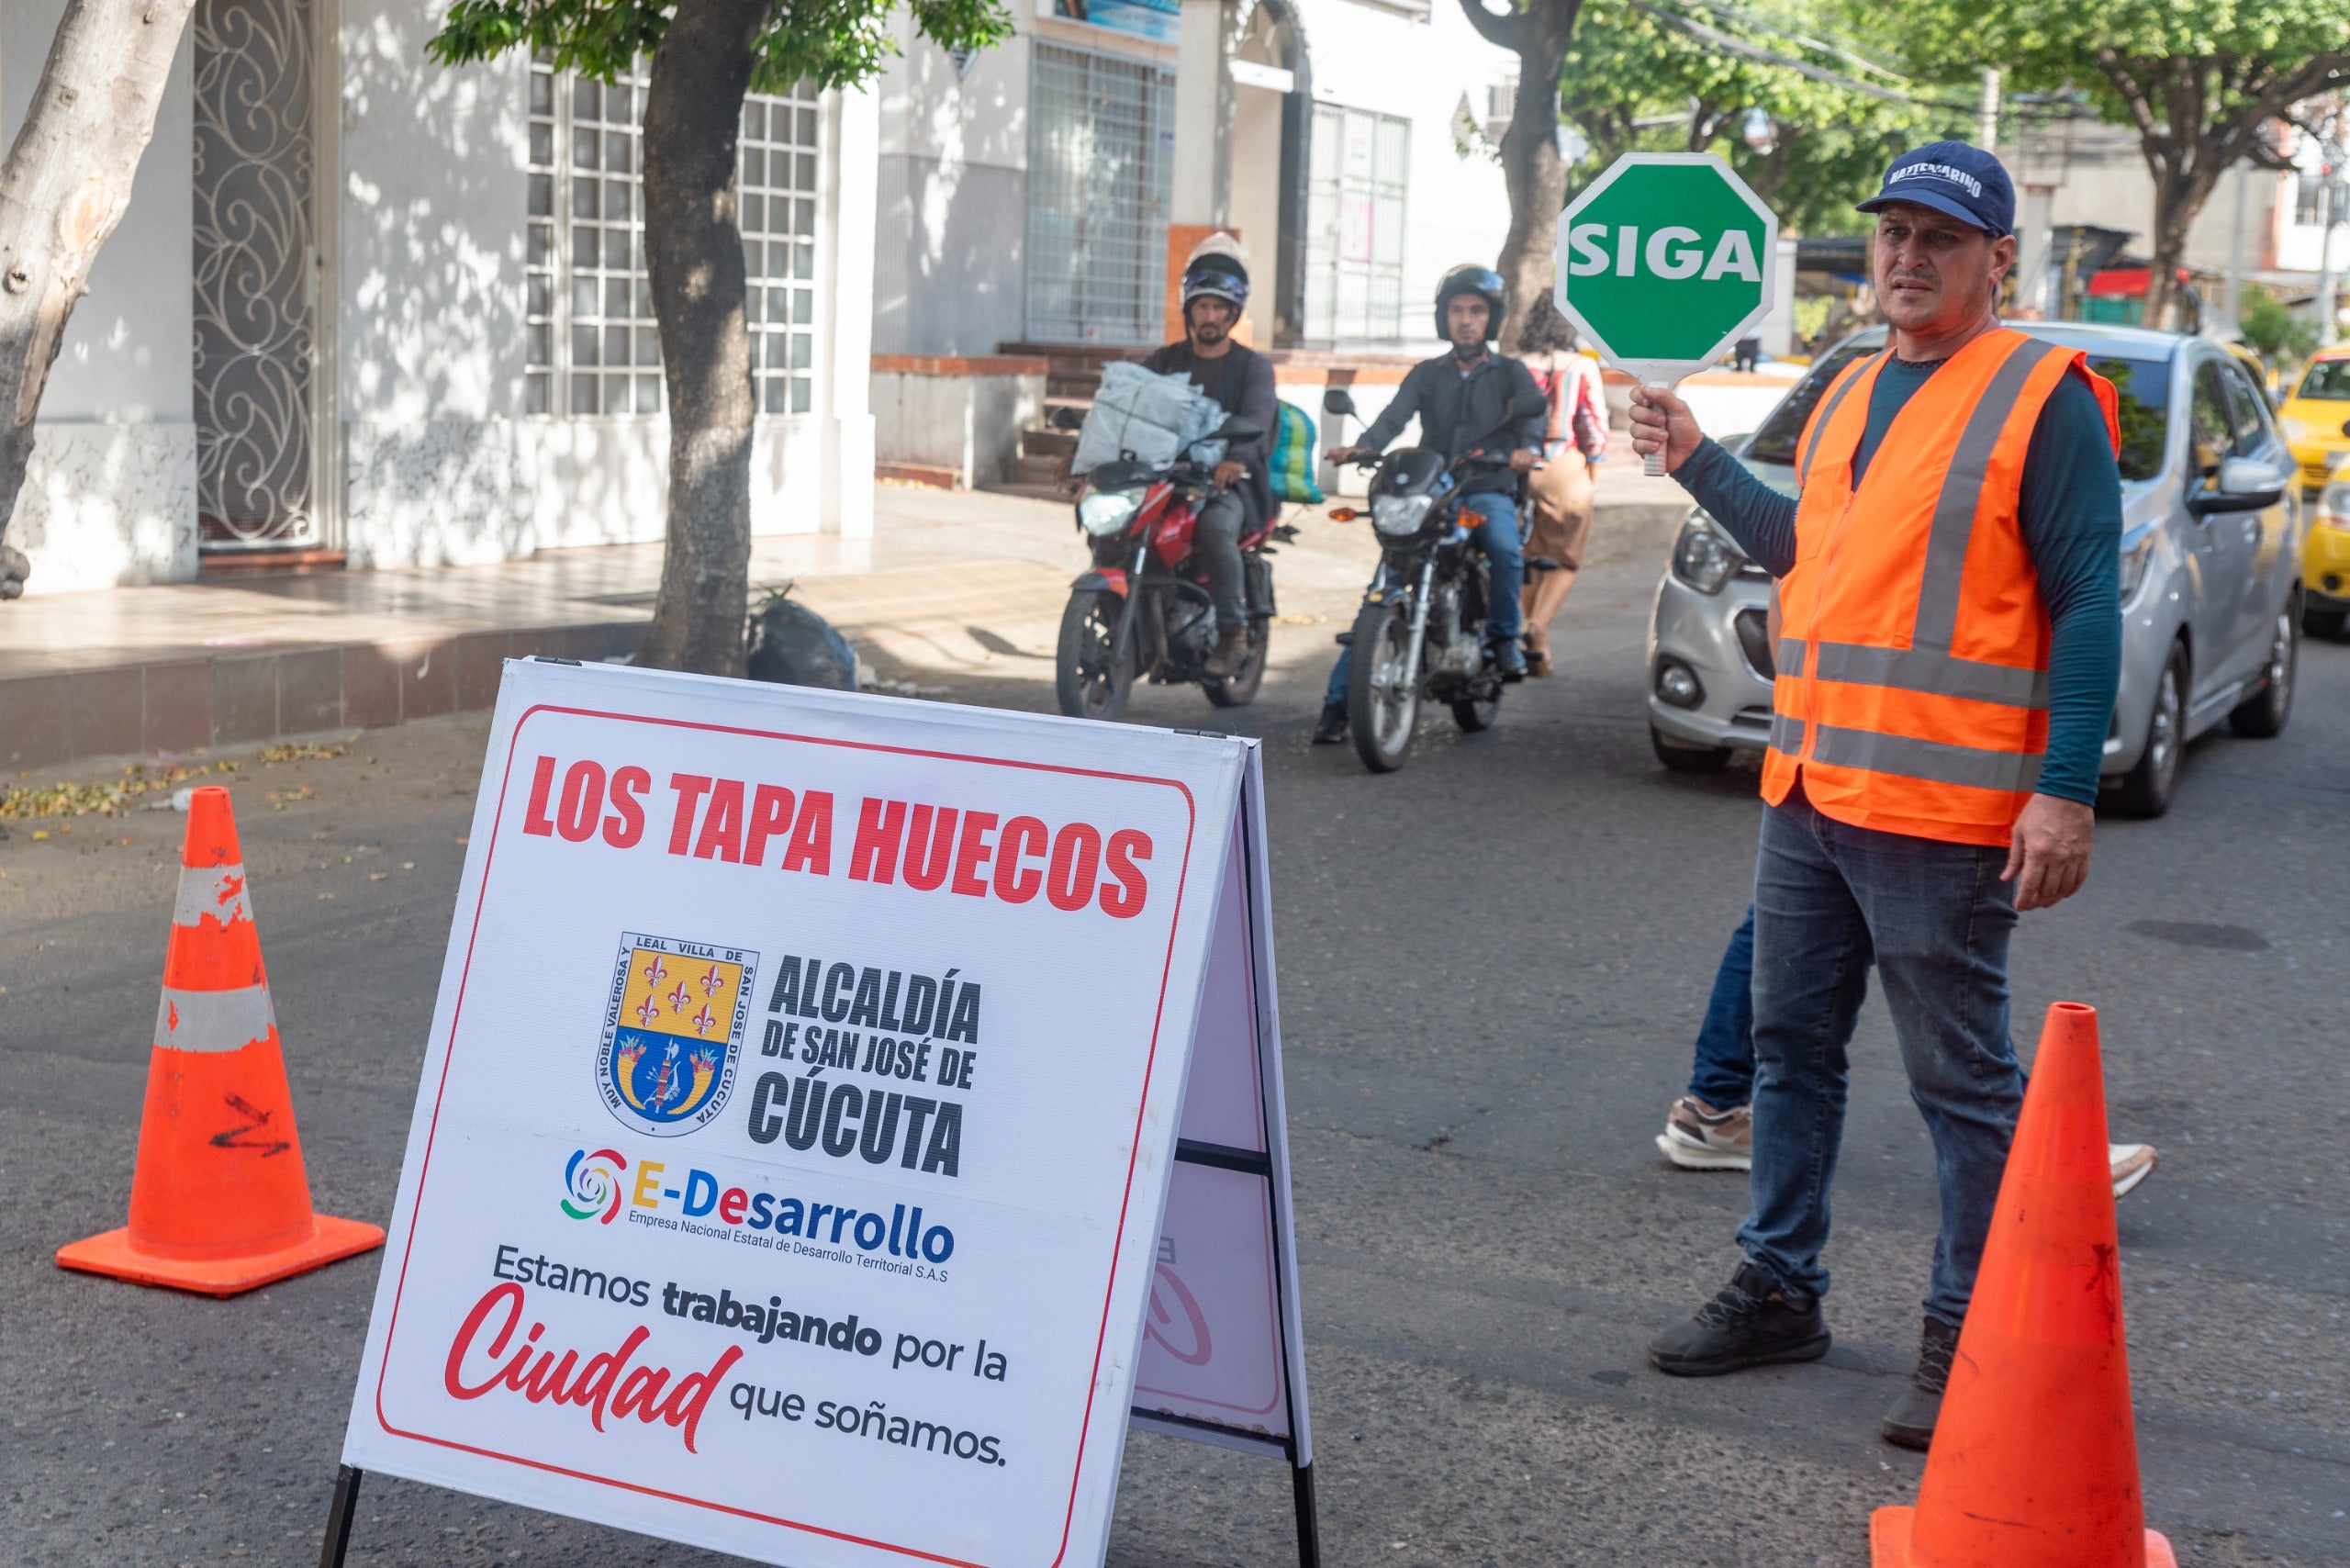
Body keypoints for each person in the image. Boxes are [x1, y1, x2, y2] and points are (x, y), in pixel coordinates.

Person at [1629, 142, 2128, 1452]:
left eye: (1940, 239)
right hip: (1810, 788)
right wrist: (1695, 454)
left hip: (1946, 818)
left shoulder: (2043, 395)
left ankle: (1974, 1333)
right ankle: (1779, 1286)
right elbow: (1808, 549)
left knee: (1964, 1089)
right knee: (1792, 1053)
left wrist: (2063, 793)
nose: (1907, 258)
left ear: (1996, 258)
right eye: (1894, 234)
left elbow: (2086, 604)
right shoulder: (1851, 385)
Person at [1655, 903, 2160, 1202]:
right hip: (1890, 773)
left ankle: (1715, 1106)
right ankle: (2043, 1149)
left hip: (1833, 762)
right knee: (1922, 935)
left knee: (1795, 915)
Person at [1312, 265, 1544, 744]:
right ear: (1445, 318)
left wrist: (1527, 450)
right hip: (1431, 490)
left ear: (1490, 320)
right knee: (1386, 581)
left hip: (1485, 488)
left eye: (1476, 311)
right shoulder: (1427, 373)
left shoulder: (1511, 373)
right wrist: (1363, 446)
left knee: (1503, 548)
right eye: (1457, 310)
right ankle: (1339, 703)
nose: (1466, 320)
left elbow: (1532, 419)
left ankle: (1504, 639)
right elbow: (1393, 419)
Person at [1140, 235, 1278, 678]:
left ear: (1234, 314)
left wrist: (1235, 458)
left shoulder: (1253, 368)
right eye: (1203, 306)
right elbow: (1128, 407)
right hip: (1164, 478)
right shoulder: (1162, 362)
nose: (1211, 316)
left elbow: (1257, 419)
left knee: (1215, 527)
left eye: (1221, 308)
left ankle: (1233, 634)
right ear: (1189, 310)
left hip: (1226, 485)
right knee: (1119, 524)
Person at [1515, 294, 1607, 678]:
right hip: (1562, 467)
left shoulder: (1514, 365)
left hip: (1516, 467)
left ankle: (1524, 633)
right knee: (1565, 556)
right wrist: (1594, 467)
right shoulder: (1581, 366)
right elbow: (1593, 426)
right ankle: (1538, 624)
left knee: (1522, 555)